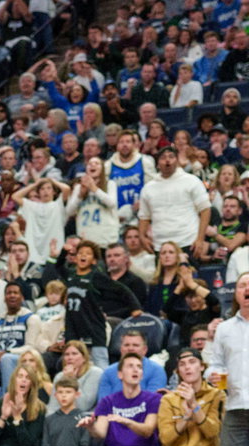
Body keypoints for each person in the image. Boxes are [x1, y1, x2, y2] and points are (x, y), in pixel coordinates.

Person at [202, 271, 249, 446]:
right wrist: (213, 375)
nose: (246, 289)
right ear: (236, 293)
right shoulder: (224, 328)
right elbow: (216, 364)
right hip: (235, 404)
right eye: (242, 285)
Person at [42, 240, 141, 368]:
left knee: (100, 364)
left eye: (88, 253)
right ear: (75, 258)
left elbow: (121, 289)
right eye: (80, 253)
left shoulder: (96, 276)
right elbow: (59, 266)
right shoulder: (70, 275)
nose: (83, 255)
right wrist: (64, 252)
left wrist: (135, 307)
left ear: (94, 260)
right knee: (72, 364)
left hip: (93, 328)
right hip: (73, 328)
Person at [137, 147, 211, 258]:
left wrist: (200, 239)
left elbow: (205, 209)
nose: (167, 160)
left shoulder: (192, 181)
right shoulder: (148, 188)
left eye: (171, 157)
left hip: (188, 242)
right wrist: (142, 237)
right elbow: (144, 216)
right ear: (157, 164)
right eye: (163, 158)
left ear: (177, 161)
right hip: (160, 246)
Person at [96, 331, 167, 397]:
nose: (130, 348)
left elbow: (152, 400)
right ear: (121, 349)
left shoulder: (157, 370)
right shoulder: (108, 371)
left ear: (144, 350)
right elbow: (103, 402)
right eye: (126, 345)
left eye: (135, 345)